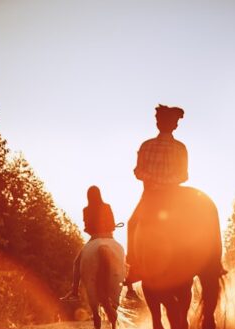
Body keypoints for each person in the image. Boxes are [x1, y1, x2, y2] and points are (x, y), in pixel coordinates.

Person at [125, 104, 188, 288]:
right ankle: (211, 261)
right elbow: (184, 175)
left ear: (158, 123)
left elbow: (138, 172)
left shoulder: (146, 145)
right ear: (175, 125)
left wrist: (154, 179)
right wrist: (168, 180)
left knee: (132, 224)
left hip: (150, 196)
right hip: (175, 196)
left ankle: (134, 266)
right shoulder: (181, 148)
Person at [60, 185, 116, 301]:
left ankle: (74, 292)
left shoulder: (86, 210)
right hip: (109, 237)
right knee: (123, 258)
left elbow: (87, 228)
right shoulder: (107, 206)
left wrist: (90, 230)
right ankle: (130, 288)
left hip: (95, 238)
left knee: (76, 263)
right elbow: (112, 225)